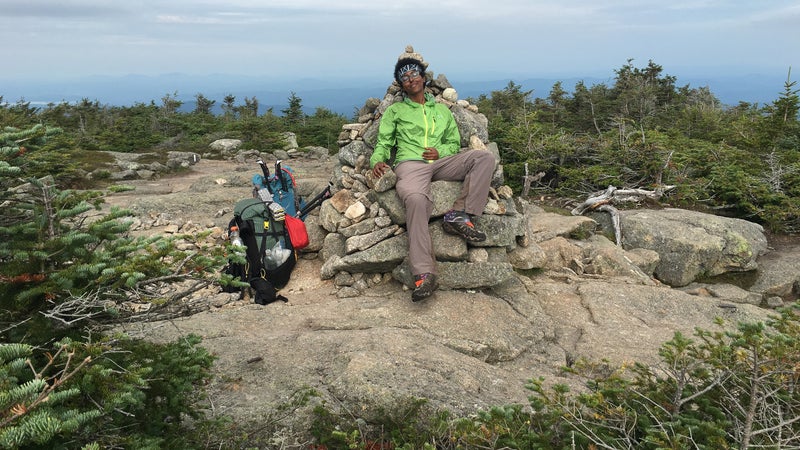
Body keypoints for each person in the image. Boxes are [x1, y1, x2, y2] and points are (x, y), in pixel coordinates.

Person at [370, 56, 496, 302]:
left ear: (424, 77)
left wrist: (443, 152)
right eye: (404, 77)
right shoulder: (396, 110)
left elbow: (452, 141)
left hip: (441, 161)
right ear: (401, 85)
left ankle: (459, 214)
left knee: (483, 159)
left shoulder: (441, 110)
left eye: (414, 74)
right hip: (410, 163)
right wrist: (377, 160)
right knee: (416, 200)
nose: (410, 79)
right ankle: (424, 274)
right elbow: (384, 142)